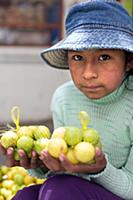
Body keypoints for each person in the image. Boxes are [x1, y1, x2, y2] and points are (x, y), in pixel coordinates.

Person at [0, 0, 133, 199]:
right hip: (73, 189)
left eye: (104, 57)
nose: (88, 74)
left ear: (128, 62)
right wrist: (40, 164)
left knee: (61, 189)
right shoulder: (64, 97)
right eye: (78, 58)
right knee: (25, 196)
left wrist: (99, 169)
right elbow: (62, 171)